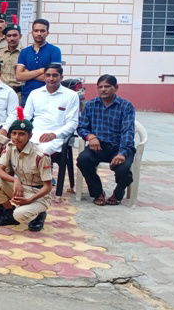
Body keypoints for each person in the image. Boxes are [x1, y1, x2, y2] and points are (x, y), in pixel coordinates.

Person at [0, 107, 52, 231]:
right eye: (14, 133)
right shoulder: (10, 147)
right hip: (20, 187)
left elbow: (48, 187)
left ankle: (40, 214)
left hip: (38, 193)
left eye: (21, 134)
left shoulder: (40, 155)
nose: (16, 137)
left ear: (30, 136)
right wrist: (15, 181)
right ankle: (8, 212)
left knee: (20, 215)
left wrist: (30, 200)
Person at [77, 74, 136, 206]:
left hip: (120, 147)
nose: (103, 89)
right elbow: (81, 127)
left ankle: (118, 192)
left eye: (107, 86)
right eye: (100, 87)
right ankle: (97, 192)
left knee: (123, 169)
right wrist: (90, 137)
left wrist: (122, 153)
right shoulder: (91, 105)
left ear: (116, 88)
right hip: (98, 146)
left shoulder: (126, 106)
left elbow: (128, 131)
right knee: (83, 160)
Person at [23, 64, 79, 155]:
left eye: (55, 75)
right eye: (48, 75)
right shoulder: (35, 93)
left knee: (38, 152)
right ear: (44, 77)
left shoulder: (71, 95)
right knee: (11, 147)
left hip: (56, 138)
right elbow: (26, 116)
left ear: (61, 77)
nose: (51, 78)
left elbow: (72, 123)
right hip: (34, 135)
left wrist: (54, 134)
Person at [16, 18, 62, 102]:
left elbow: (53, 78)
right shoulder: (24, 52)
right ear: (32, 32)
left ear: (47, 33)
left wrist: (27, 73)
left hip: (48, 96)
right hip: (27, 95)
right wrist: (41, 70)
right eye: (36, 30)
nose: (39, 33)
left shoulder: (55, 51)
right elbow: (19, 76)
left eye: (42, 31)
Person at [0, 16, 23, 97]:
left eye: (15, 35)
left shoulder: (26, 53)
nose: (11, 38)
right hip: (1, 93)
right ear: (5, 38)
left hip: (18, 93)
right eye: (9, 36)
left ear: (20, 36)